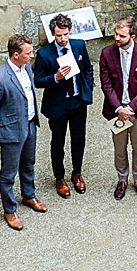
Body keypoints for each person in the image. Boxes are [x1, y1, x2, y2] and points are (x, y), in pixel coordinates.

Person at [0, 33, 40, 230]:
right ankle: (9, 210)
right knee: (8, 173)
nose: (32, 56)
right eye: (28, 53)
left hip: (30, 124)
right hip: (12, 131)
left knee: (29, 163)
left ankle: (28, 195)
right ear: (16, 55)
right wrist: (2, 122)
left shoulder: (27, 68)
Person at [35, 12, 94, 198]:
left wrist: (87, 91)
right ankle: (59, 177)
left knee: (79, 139)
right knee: (58, 142)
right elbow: (37, 80)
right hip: (58, 105)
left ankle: (77, 172)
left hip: (77, 101)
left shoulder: (78, 45)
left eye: (65, 34)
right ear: (53, 34)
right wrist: (55, 77)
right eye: (59, 35)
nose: (62, 38)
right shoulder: (44, 54)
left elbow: (88, 69)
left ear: (70, 31)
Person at [99, 16, 137, 200]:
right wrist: (118, 109)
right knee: (119, 149)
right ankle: (122, 180)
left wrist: (130, 108)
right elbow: (106, 85)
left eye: (121, 36)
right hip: (116, 112)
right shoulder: (106, 54)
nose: (116, 38)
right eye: (116, 34)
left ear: (132, 36)